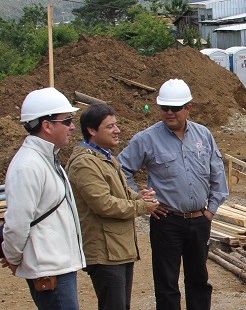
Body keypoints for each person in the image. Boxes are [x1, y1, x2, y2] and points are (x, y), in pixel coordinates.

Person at [118, 79, 228, 310]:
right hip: (166, 221)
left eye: (175, 108)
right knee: (167, 282)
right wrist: (140, 198)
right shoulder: (145, 139)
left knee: (198, 279)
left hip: (199, 220)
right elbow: (120, 170)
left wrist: (210, 210)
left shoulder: (203, 135)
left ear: (188, 108)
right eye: (164, 108)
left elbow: (217, 172)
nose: (169, 113)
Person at [66, 103, 161, 310]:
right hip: (105, 252)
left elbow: (121, 192)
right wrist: (141, 207)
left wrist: (138, 196)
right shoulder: (85, 163)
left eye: (116, 125)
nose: (117, 130)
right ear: (92, 130)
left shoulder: (106, 157)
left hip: (118, 249)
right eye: (109, 126)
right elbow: (104, 204)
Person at [1, 87, 85, 309]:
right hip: (49, 271)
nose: (72, 126)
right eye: (67, 120)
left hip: (57, 266)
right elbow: (17, 224)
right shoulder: (28, 165)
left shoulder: (45, 158)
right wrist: (12, 257)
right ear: (47, 125)